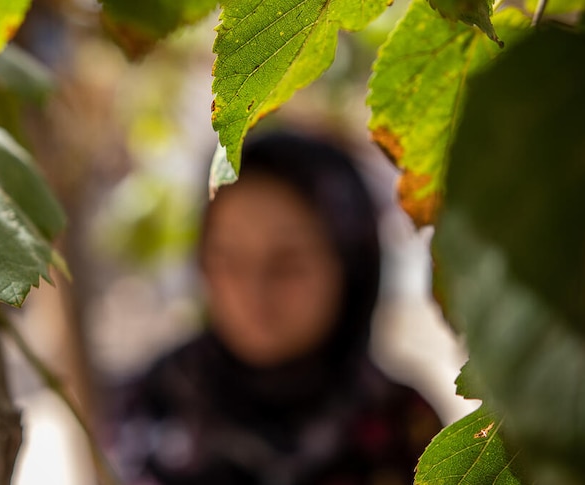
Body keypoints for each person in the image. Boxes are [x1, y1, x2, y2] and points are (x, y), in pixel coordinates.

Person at [105, 131, 442, 485]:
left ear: (351, 266)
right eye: (228, 259)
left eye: (288, 264)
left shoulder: (409, 433)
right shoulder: (149, 408)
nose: (254, 291)